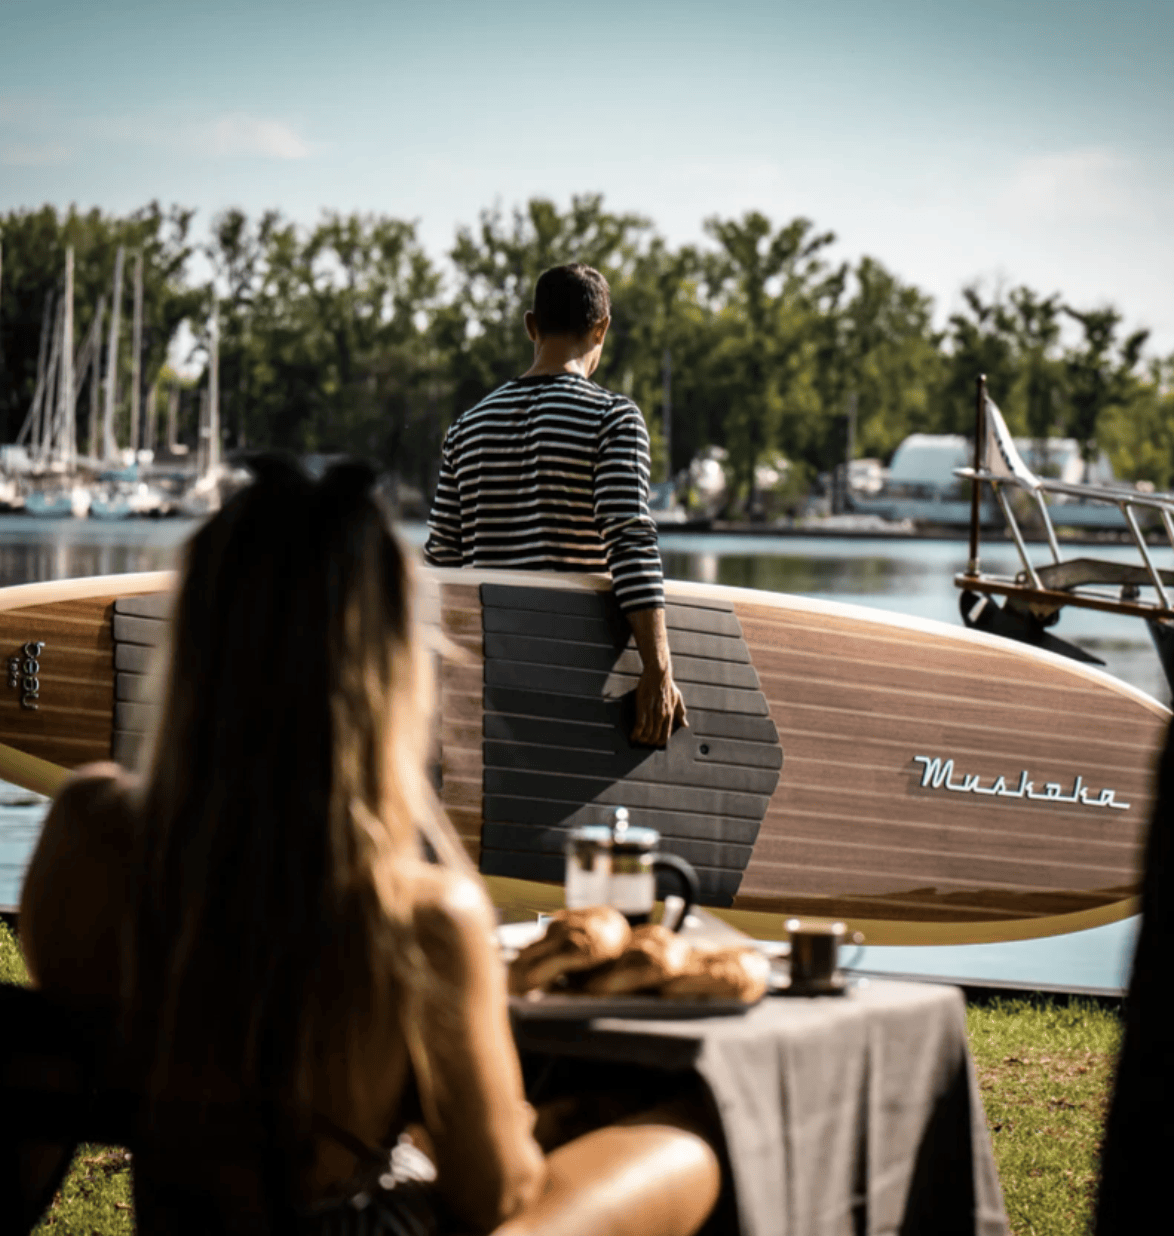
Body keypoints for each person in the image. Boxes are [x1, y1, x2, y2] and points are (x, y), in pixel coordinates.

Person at [19, 456, 720, 1236]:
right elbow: (498, 1199)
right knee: (692, 1139)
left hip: (188, 1215)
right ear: (386, 666)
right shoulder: (416, 915)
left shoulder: (90, 833)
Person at [425, 263, 686, 748]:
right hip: (572, 666)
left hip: (491, 667)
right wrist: (658, 670)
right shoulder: (613, 418)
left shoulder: (468, 428)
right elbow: (630, 543)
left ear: (531, 326)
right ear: (601, 328)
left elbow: (442, 561)